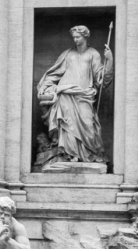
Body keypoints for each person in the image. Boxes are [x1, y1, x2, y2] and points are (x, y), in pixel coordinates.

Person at [37, 25, 113, 164]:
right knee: (68, 126)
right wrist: (46, 85)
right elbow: (55, 73)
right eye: (74, 37)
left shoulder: (93, 54)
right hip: (66, 94)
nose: (75, 40)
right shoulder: (68, 54)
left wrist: (109, 60)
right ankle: (70, 155)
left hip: (84, 95)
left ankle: (88, 154)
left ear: (85, 37)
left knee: (88, 125)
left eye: (78, 37)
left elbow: (101, 79)